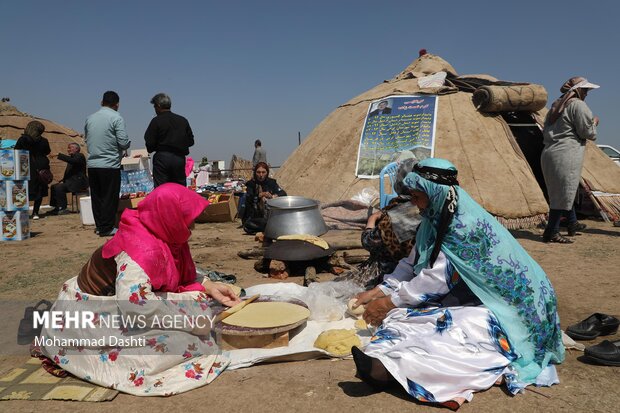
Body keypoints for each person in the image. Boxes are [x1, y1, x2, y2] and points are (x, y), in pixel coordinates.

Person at [352, 158, 564, 409]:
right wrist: (379, 290)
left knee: (458, 330)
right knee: (410, 319)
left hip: (512, 308)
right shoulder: (433, 220)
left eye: (418, 197)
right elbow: (411, 264)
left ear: (436, 194)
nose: (415, 205)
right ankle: (388, 365)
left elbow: (435, 281)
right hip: (477, 296)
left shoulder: (464, 228)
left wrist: (387, 302)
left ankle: (387, 372)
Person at [34, 184, 241, 396]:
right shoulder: (142, 248)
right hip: (90, 312)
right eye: (188, 217)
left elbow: (172, 273)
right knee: (186, 341)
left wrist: (209, 285)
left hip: (121, 300)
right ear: (171, 216)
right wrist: (189, 321)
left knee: (197, 304)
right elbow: (135, 305)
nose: (193, 223)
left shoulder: (162, 233)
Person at [337, 159, 420, 289]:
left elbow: (369, 242)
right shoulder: (427, 208)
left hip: (392, 274)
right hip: (418, 272)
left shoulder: (396, 216)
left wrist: (372, 220)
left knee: (340, 288)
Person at [541, 77, 599, 244]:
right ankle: (551, 232)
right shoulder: (577, 105)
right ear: (578, 90)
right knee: (562, 193)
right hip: (567, 153)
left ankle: (572, 223)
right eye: (585, 90)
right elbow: (587, 132)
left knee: (562, 192)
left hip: (549, 153)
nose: (587, 94)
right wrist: (594, 122)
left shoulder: (555, 107)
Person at [85, 91, 131, 237]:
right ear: (117, 105)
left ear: (101, 102)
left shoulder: (90, 118)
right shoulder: (116, 118)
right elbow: (123, 142)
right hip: (109, 164)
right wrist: (126, 145)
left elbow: (87, 139)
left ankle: (100, 226)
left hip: (93, 164)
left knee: (97, 197)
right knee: (109, 197)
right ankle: (107, 227)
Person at [145, 93, 194, 187]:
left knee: (162, 189)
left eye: (154, 106)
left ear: (158, 106)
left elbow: (150, 143)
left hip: (162, 159)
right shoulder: (182, 120)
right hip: (179, 159)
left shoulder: (156, 121)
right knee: (179, 189)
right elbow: (191, 141)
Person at [15, 121, 51, 220]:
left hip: (26, 166)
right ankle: (35, 212)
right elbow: (47, 151)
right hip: (41, 167)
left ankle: (23, 212)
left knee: (23, 189)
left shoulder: (23, 139)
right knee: (39, 190)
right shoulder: (44, 140)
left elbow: (16, 151)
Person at [241, 162, 286, 234]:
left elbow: (283, 193)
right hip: (255, 217)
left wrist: (273, 196)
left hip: (270, 216)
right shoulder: (251, 184)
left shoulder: (272, 183)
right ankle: (271, 227)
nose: (261, 175)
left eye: (263, 172)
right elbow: (249, 198)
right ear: (255, 173)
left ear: (267, 172)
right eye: (258, 172)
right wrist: (259, 195)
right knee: (248, 225)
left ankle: (269, 227)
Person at [48, 143, 88, 215]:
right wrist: (62, 180)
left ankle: (63, 208)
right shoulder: (72, 158)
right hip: (71, 182)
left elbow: (73, 161)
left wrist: (58, 154)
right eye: (68, 148)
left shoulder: (79, 156)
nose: (68, 149)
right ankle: (57, 207)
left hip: (79, 183)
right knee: (54, 186)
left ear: (76, 149)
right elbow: (69, 173)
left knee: (59, 188)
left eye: (70, 148)